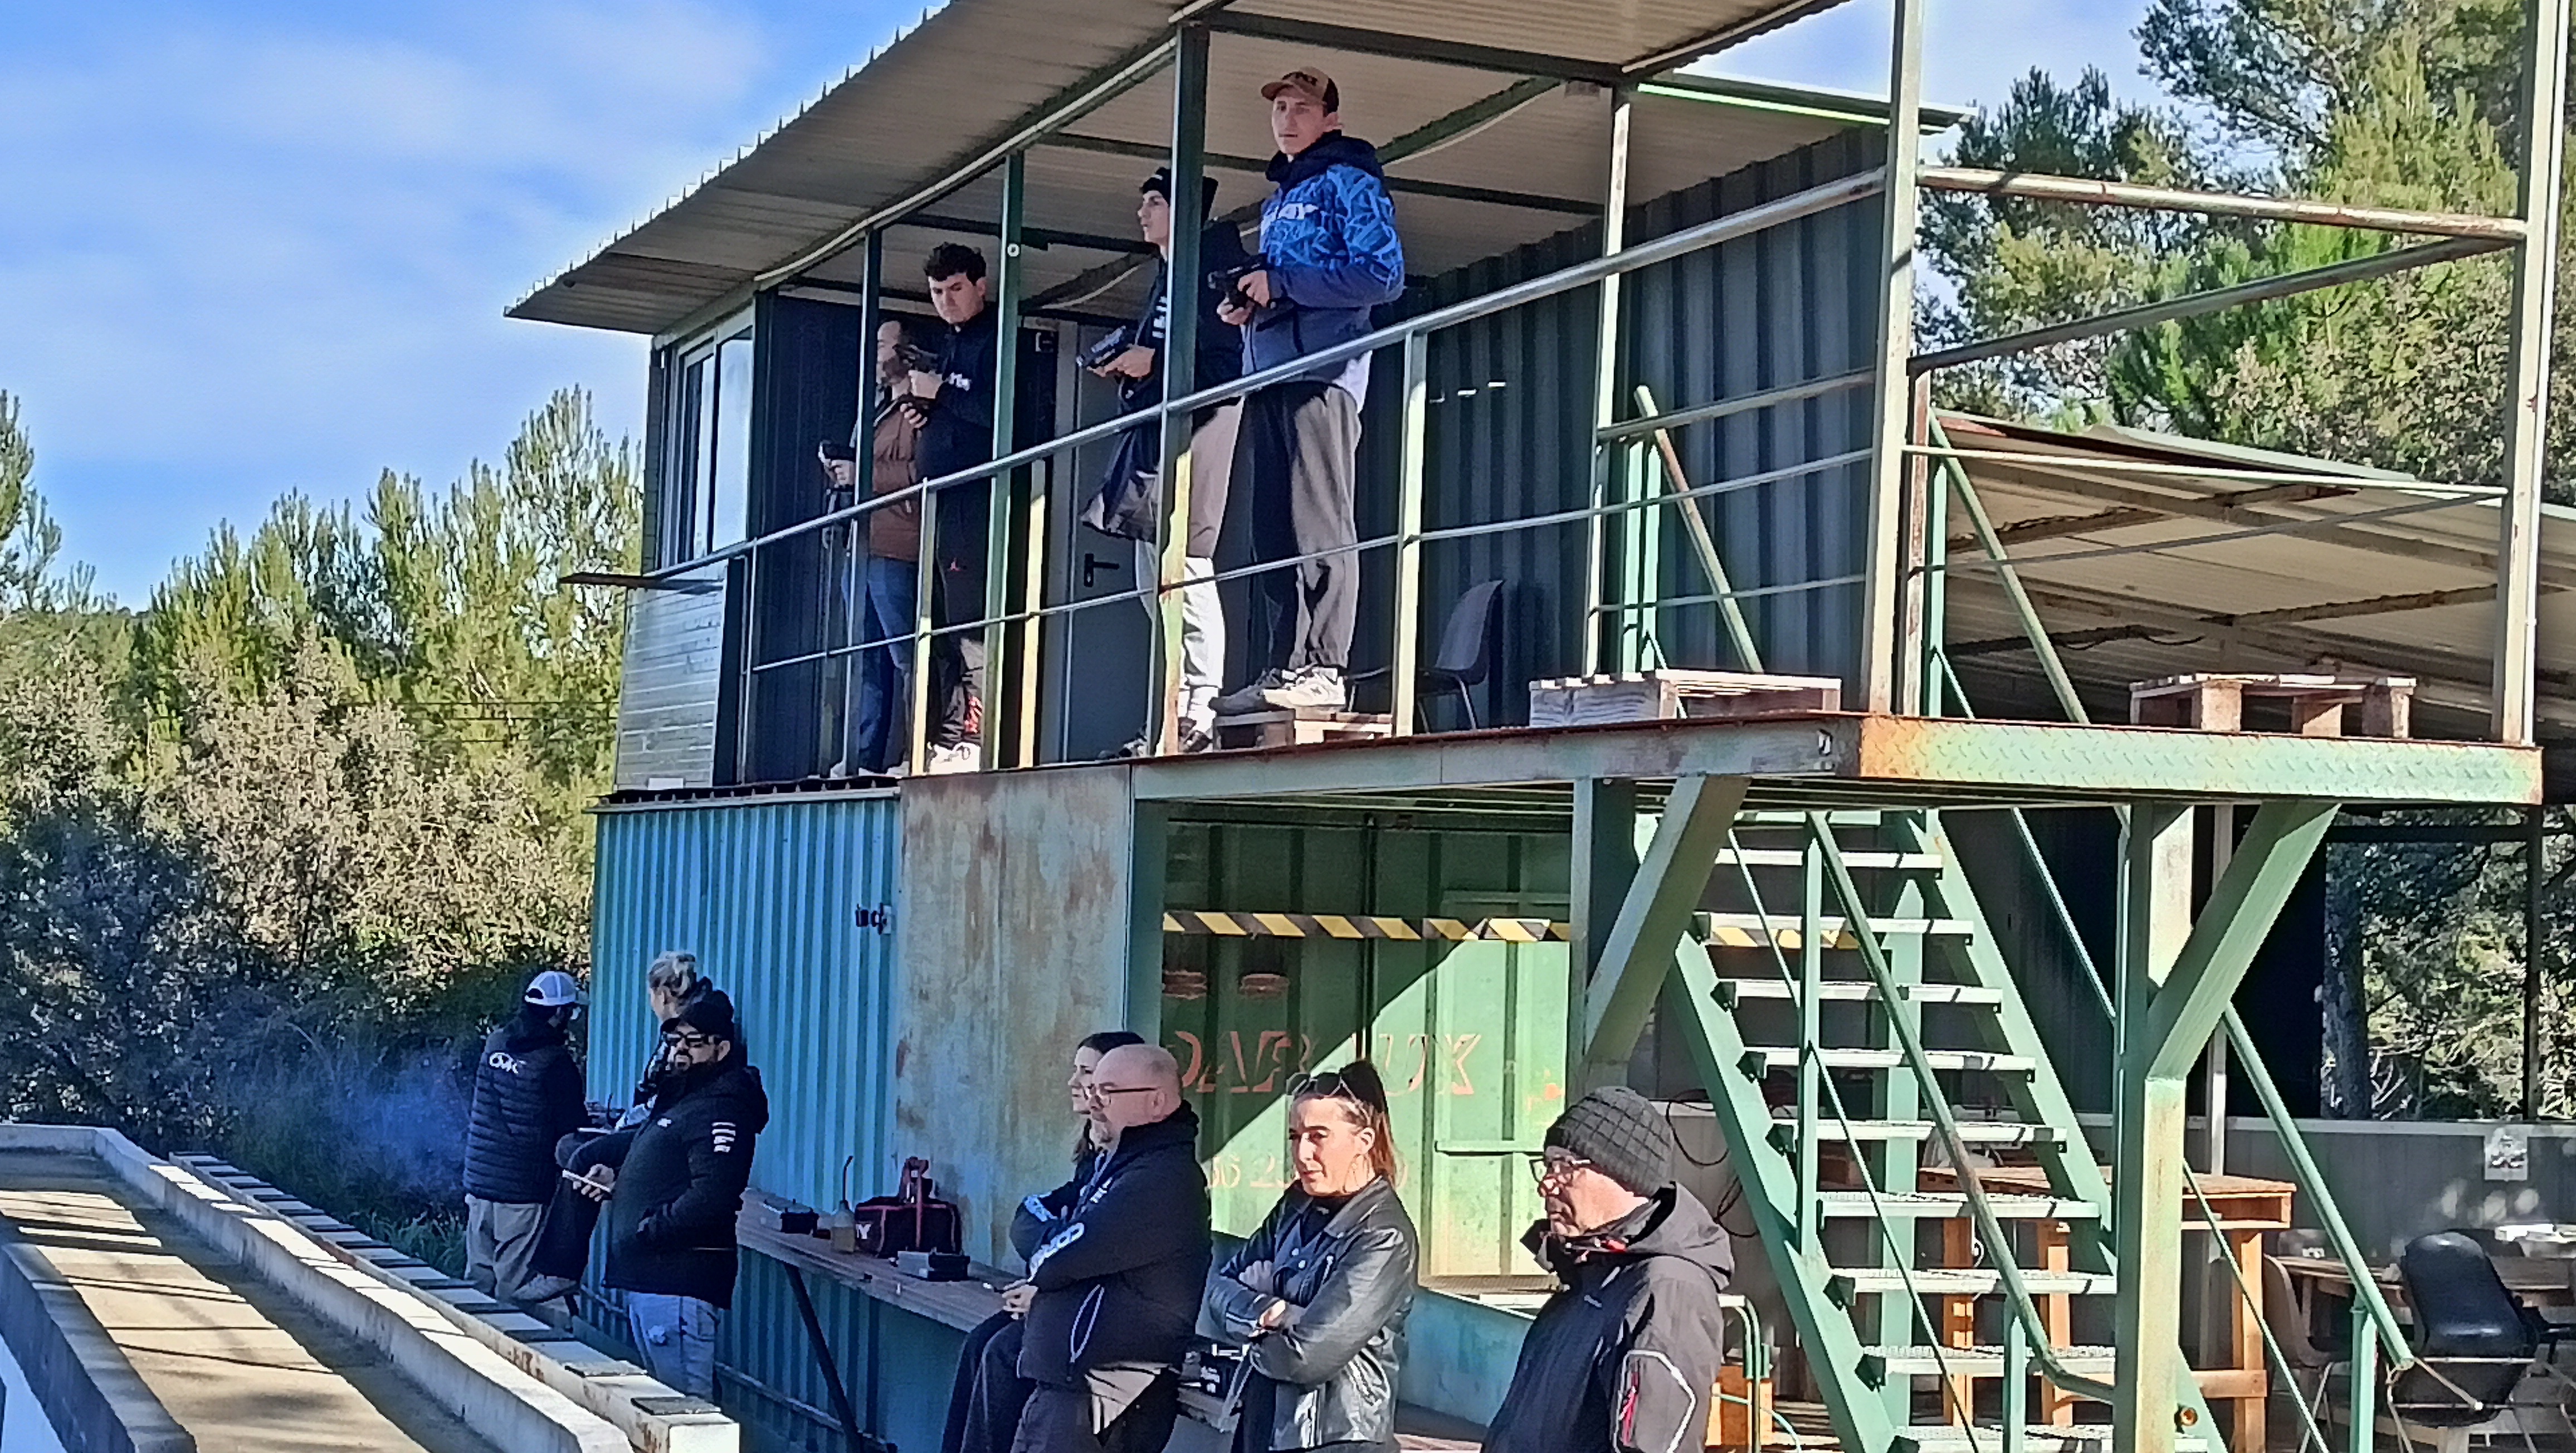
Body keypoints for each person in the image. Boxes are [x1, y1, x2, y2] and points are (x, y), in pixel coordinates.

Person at [1210, 67, 1405, 718]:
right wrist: (1250, 303)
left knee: (1317, 521)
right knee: (1272, 529)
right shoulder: (1280, 196)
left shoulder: (1352, 179)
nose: (1287, 119)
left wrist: (1285, 284)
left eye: (1302, 108)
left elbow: (1382, 275)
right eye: (1280, 109)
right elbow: (1286, 281)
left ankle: (1322, 667)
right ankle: (1283, 664)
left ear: (1331, 120)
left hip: (1324, 372)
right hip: (1268, 372)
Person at [1086, 167, 1249, 755]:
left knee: (1186, 569)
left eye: (1155, 201)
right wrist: (1133, 366)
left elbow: (1228, 363)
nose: (1143, 212)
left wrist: (1151, 363)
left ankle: (1200, 709)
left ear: (1186, 212)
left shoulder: (1212, 271)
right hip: (1156, 434)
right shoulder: (1170, 272)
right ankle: (1171, 714)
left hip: (1199, 431)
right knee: (1151, 583)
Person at [1482, 1086, 1736, 1453]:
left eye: (1566, 1166)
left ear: (1623, 1174)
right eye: (1548, 1165)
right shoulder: (1589, 1276)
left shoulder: (1666, 1290)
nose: (1546, 1184)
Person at [944, 1030, 1147, 1453]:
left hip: (1098, 1334)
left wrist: (1046, 1288)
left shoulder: (1146, 1170)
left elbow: (1090, 1251)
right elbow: (1030, 1217)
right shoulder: (1095, 1157)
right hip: (1057, 1304)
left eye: (1087, 1073)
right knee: (980, 1343)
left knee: (1003, 1355)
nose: (1075, 1083)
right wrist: (1048, 1262)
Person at [1202, 1062, 1417, 1453]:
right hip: (1264, 1422)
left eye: (1318, 1137)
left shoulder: (1383, 1234)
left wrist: (1252, 1324)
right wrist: (1275, 1312)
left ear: (1364, 1140)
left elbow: (1305, 1358)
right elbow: (1218, 1289)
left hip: (1335, 1438)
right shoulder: (1296, 1204)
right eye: (1295, 1136)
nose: (1302, 1154)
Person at [566, 990, 770, 1399]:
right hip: (651, 1281)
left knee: (686, 1413)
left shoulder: (722, 1108)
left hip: (676, 1284)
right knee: (663, 1407)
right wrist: (616, 1178)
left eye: (693, 1042)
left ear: (721, 1049)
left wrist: (649, 1230)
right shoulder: (684, 1099)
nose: (680, 1051)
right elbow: (664, 1170)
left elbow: (712, 1195)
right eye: (676, 1041)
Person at [1012, 1043, 1212, 1453]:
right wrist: (1054, 1239)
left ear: (1157, 1102)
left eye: (1108, 1092)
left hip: (1106, 1394)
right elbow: (1031, 1221)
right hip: (1071, 1388)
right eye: (1093, 1091)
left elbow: (1055, 1262)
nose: (1094, 1104)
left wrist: (1051, 1243)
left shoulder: (1161, 1178)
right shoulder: (1117, 1166)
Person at [899, 242, 1002, 774]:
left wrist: (941, 394)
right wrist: (925, 411)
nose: (946, 300)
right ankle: (942, 737)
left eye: (956, 289)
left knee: (969, 626)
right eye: (937, 292)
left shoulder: (998, 339)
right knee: (937, 628)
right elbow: (953, 409)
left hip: (975, 501)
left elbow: (1002, 415)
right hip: (938, 501)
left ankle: (974, 738)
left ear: (981, 286)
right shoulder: (949, 342)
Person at [828, 315, 933, 777]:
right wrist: (843, 472)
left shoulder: (921, 409)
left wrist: (864, 476)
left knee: (908, 655)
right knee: (865, 657)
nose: (873, 354)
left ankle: (917, 753)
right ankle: (862, 758)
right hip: (861, 543)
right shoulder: (874, 410)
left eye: (881, 345)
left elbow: (922, 472)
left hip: (898, 544)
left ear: (906, 353)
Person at [462, 970, 589, 1304]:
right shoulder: (556, 1063)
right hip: (522, 1191)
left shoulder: (495, 1042)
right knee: (514, 1289)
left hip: (479, 1184)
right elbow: (572, 1129)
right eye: (571, 1012)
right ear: (559, 1013)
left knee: (477, 1284)